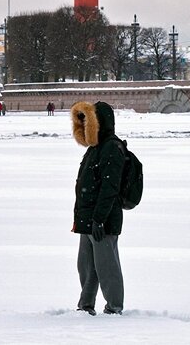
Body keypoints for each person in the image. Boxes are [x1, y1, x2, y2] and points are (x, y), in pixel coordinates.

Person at [70, 101, 126, 315]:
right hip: (88, 220)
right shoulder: (94, 149)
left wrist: (99, 219)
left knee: (107, 268)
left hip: (103, 221)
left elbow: (109, 188)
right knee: (86, 266)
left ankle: (114, 307)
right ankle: (85, 305)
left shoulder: (112, 147)